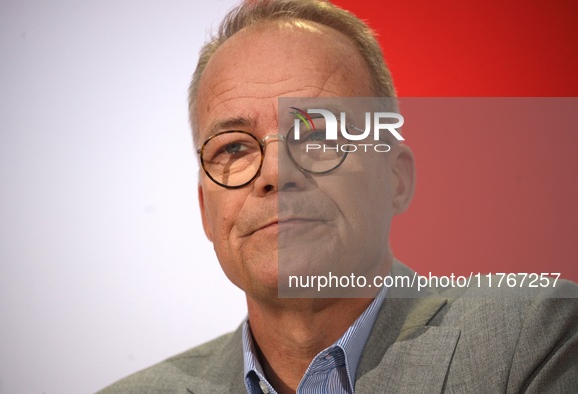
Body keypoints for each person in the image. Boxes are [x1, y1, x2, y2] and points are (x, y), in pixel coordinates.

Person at [99, 0, 578, 392]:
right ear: (207, 212)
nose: (276, 172)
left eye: (316, 134)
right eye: (235, 147)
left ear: (395, 179)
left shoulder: (532, 339)